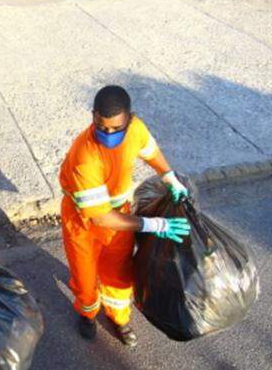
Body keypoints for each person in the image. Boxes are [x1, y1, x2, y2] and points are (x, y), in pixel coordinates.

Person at [59, 85, 191, 347]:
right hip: (83, 222)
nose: (107, 133)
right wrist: (154, 224)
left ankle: (119, 318)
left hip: (119, 217)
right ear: (93, 116)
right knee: (84, 277)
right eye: (101, 126)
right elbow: (100, 218)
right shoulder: (85, 156)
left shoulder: (135, 130)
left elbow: (150, 151)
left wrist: (169, 177)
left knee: (118, 275)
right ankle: (87, 312)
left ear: (130, 119)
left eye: (115, 128)